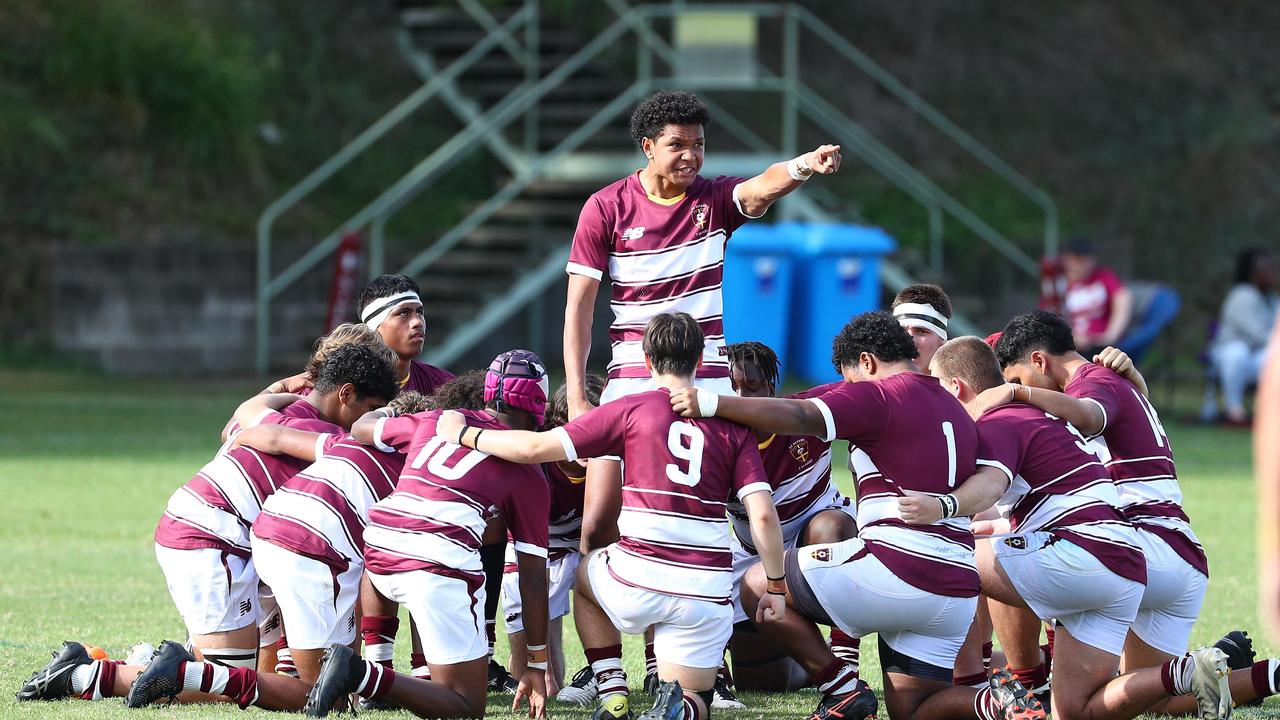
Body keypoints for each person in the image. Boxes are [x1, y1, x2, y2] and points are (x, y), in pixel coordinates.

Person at [669, 311, 1037, 720]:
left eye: (849, 377)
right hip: (956, 587)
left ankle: (841, 688)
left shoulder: (879, 393)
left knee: (759, 582)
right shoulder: (951, 403)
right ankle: (997, 703)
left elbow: (802, 416)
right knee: (913, 711)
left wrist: (712, 401)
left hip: (898, 570)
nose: (848, 389)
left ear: (866, 362)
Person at [436, 313, 788, 720]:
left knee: (586, 574)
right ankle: (682, 707)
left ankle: (612, 690)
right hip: (706, 592)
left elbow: (535, 449)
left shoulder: (628, 409)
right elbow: (761, 515)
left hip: (635, 579)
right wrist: (776, 586)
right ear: (700, 359)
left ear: (647, 360)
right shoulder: (734, 427)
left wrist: (466, 434)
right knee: (693, 702)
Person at [15, 344, 398, 708]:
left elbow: (255, 411)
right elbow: (290, 441)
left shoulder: (285, 412)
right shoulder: (334, 437)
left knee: (260, 678)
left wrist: (284, 387)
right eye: (371, 409)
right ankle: (84, 675)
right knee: (225, 683)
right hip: (212, 540)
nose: (369, 423)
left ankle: (155, 661)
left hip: (212, 529)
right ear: (346, 394)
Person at [931, 336, 1245, 720]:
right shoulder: (1063, 414)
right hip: (1144, 555)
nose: (1009, 391)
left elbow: (1090, 416)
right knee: (1089, 710)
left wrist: (940, 509)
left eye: (1012, 377)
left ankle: (1001, 685)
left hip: (1132, 547)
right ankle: (1234, 675)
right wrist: (1134, 383)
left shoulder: (1070, 392)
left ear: (1037, 361)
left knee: (945, 554)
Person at [301, 349, 554, 719]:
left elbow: (360, 427)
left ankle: (377, 663)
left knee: (444, 680)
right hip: (434, 562)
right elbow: (532, 579)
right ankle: (362, 673)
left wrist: (392, 410)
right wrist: (536, 661)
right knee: (466, 707)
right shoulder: (529, 470)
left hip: (378, 549)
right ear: (538, 402)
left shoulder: (437, 418)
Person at [719, 341, 859, 695]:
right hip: (755, 552)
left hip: (819, 527)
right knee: (761, 684)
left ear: (771, 388)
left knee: (830, 528)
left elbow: (872, 386)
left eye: (751, 387)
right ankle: (821, 667)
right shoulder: (713, 440)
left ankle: (846, 651)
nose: (740, 397)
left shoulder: (809, 413)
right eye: (730, 388)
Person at [502, 375, 605, 697]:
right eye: (583, 429)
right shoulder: (537, 462)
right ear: (559, 426)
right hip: (536, 545)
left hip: (595, 545)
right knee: (541, 683)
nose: (592, 440)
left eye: (600, 429)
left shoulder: (616, 460)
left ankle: (616, 671)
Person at [1210, 248, 1278, 424]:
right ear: (1253, 273)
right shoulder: (1241, 295)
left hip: (1255, 357)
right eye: (1267, 268)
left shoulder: (1272, 299)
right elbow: (1259, 335)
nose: (1273, 272)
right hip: (1228, 356)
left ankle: (1270, 412)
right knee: (1237, 352)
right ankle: (1233, 409)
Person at [1060, 239, 1131, 356]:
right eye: (1078, 259)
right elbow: (1050, 316)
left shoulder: (1102, 277)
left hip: (1104, 347)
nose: (1083, 264)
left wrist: (1111, 335)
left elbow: (1122, 297)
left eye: (1087, 259)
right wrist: (1071, 337)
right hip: (1071, 349)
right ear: (1066, 259)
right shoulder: (1057, 285)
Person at [891, 283, 953, 373]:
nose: (909, 342)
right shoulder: (870, 386)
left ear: (942, 341)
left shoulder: (960, 386)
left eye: (920, 331)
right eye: (901, 331)